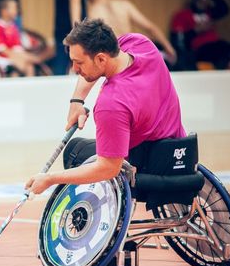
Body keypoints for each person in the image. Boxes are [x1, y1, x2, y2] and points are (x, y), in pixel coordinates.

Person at [25, 18, 185, 195]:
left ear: (101, 59)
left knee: (75, 150)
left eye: (79, 63)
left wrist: (50, 179)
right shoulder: (139, 43)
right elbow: (95, 67)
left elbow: (108, 168)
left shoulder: (111, 104)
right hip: (177, 150)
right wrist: (77, 101)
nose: (74, 69)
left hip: (145, 165)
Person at [87, 0, 176, 64]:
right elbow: (150, 27)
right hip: (131, 56)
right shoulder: (124, 5)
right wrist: (169, 48)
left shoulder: (91, 13)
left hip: (112, 61)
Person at [170, 0, 230, 70]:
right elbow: (178, 41)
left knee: (225, 47)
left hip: (216, 47)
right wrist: (195, 31)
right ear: (194, 0)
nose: (203, 5)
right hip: (198, 50)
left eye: (206, 3)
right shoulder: (182, 15)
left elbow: (224, 9)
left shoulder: (210, 13)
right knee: (220, 48)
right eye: (200, 2)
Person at [0, 0, 46, 77]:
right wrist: (20, 56)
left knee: (29, 66)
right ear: (3, 11)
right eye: (13, 8)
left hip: (13, 55)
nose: (16, 11)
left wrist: (21, 54)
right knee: (25, 63)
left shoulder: (13, 27)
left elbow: (17, 46)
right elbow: (1, 49)